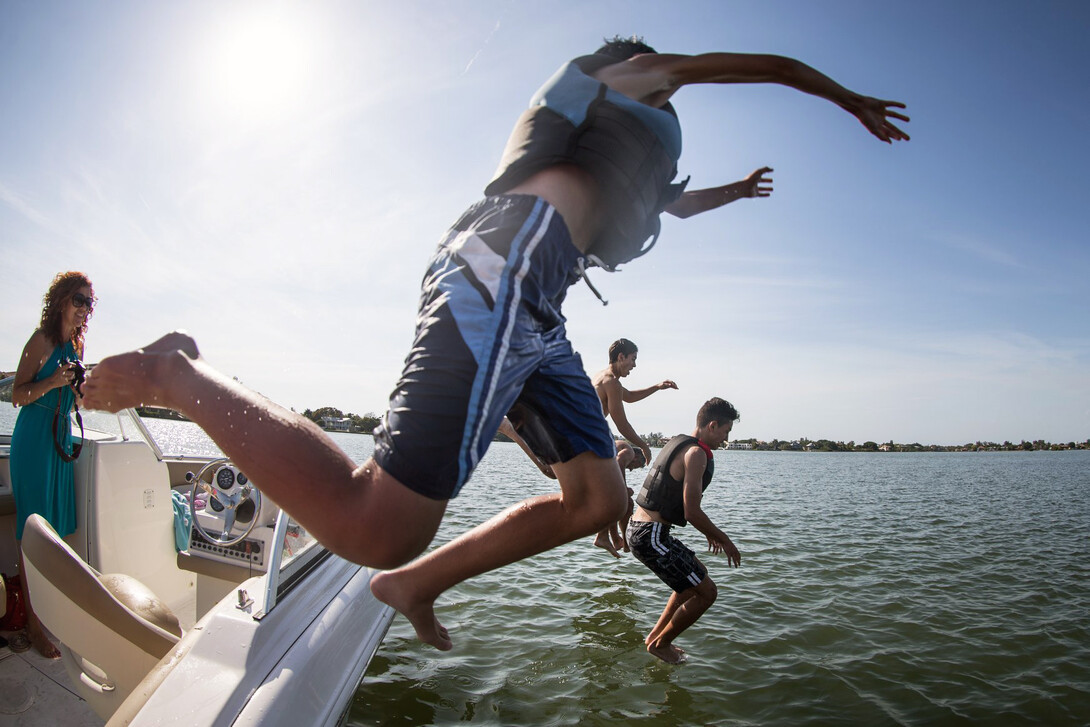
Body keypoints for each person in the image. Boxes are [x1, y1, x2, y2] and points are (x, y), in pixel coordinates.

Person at [82, 36, 908, 652]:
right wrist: (844, 98)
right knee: (377, 522)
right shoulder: (628, 75)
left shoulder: (637, 161)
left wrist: (740, 189)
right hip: (502, 265)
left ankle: (415, 583)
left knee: (601, 500)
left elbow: (674, 209)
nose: (673, 102)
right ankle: (176, 373)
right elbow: (760, 64)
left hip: (541, 307)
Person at [10, 271, 94, 657]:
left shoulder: (77, 345)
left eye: (89, 303)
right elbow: (17, 395)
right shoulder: (41, 341)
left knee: (55, 532)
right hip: (34, 442)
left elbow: (74, 399)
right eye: (79, 299)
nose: (84, 309)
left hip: (60, 439)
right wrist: (54, 382)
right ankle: (32, 624)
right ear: (61, 299)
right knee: (33, 534)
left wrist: (79, 390)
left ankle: (49, 614)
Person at [627, 397, 741, 664]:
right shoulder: (696, 454)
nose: (724, 439)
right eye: (725, 432)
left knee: (694, 578)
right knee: (707, 592)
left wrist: (710, 533)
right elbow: (691, 511)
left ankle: (656, 637)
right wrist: (725, 540)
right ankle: (661, 645)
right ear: (712, 425)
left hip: (643, 531)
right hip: (650, 535)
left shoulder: (680, 442)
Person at [592, 338, 677, 468]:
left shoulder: (603, 377)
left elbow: (629, 396)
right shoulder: (612, 383)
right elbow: (622, 425)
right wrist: (644, 447)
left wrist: (657, 387)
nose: (634, 365)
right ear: (621, 357)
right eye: (633, 359)